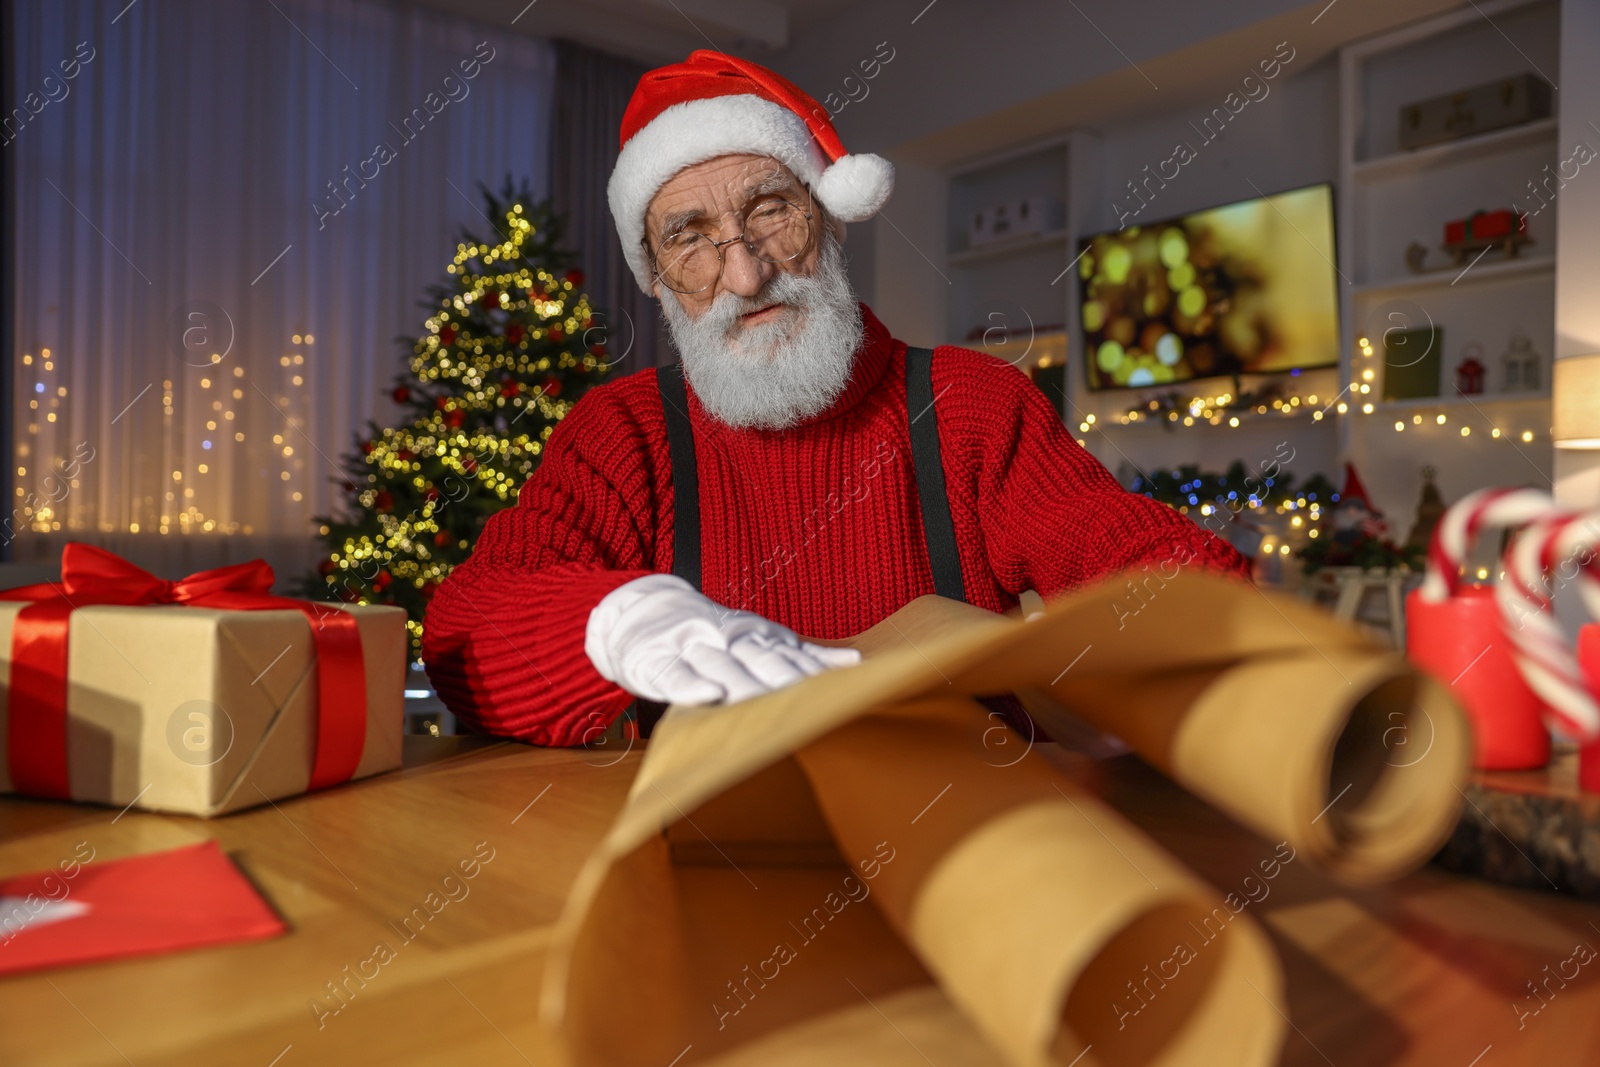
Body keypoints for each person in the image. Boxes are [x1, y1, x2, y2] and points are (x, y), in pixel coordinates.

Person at [423, 50, 1249, 746]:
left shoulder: (974, 405)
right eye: (690, 240)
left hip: (971, 841)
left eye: (771, 211)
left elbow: (1155, 575)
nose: (745, 274)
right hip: (713, 863)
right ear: (658, 280)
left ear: (832, 215)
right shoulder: (622, 433)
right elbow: (462, 637)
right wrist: (616, 623)